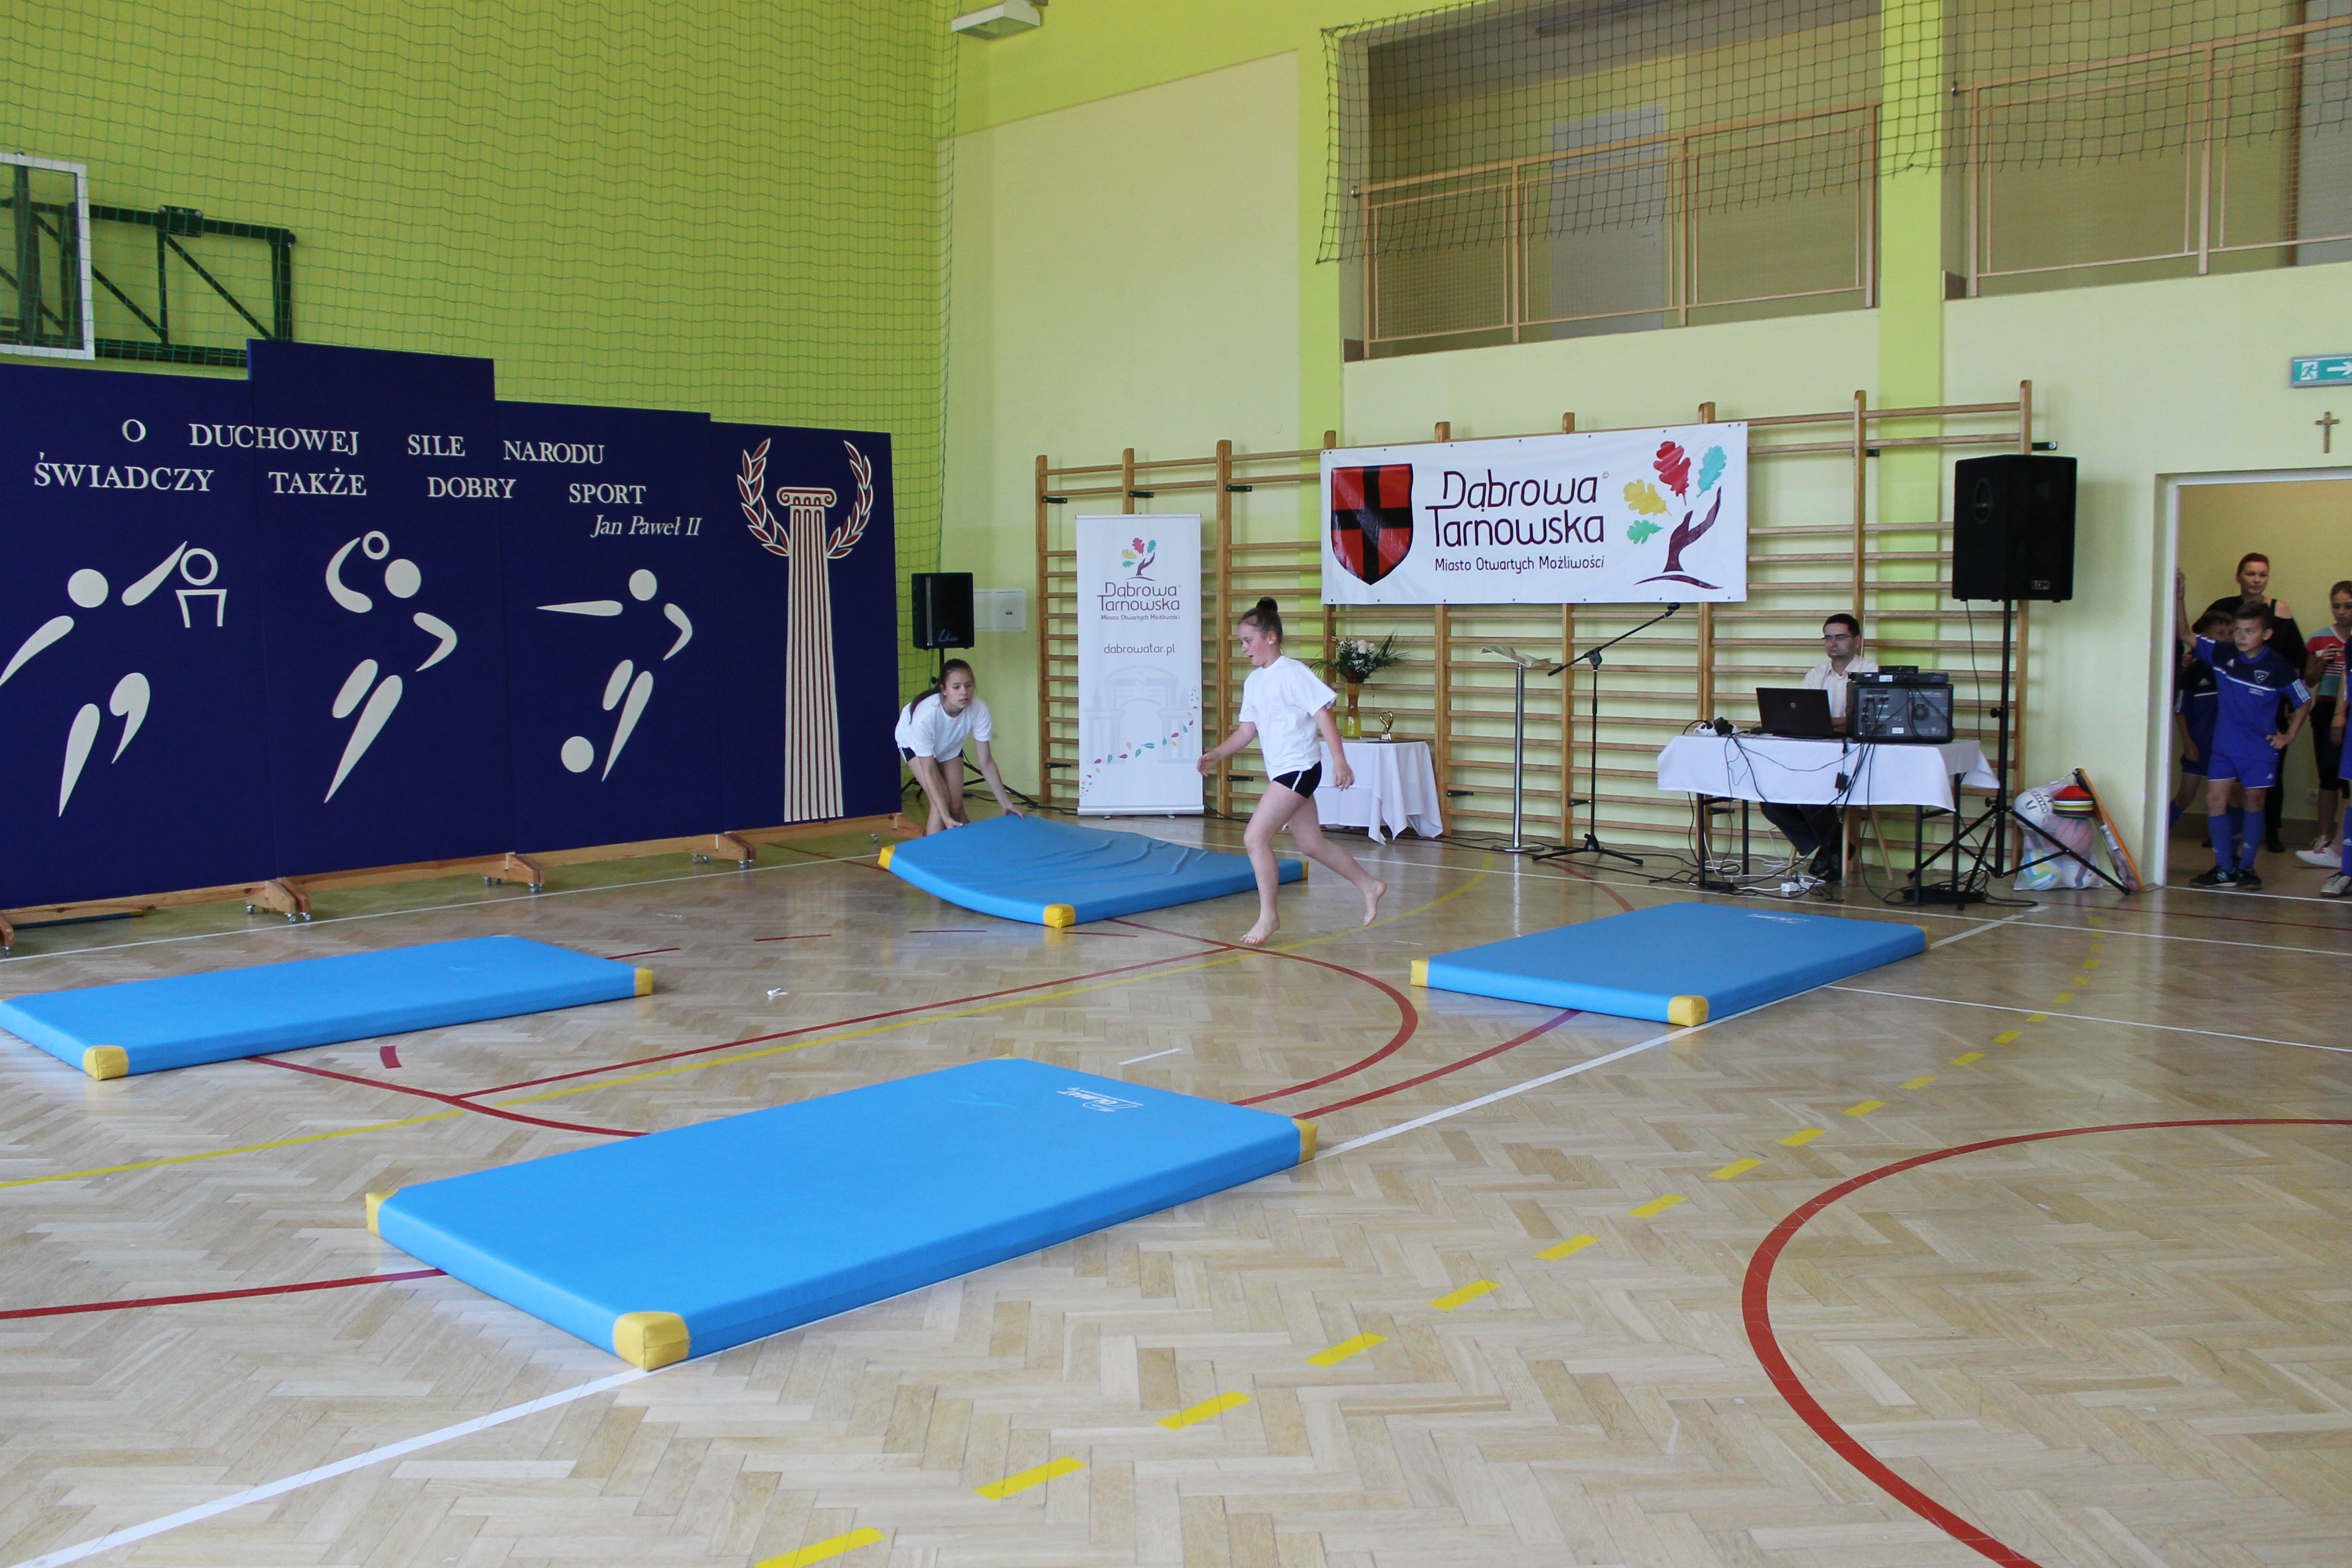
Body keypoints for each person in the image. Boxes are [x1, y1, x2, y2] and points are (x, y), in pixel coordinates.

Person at [1196, 598, 1385, 946]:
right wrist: (1217, 754)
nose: (1243, 648)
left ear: (1271, 638)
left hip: (1299, 770)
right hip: (1285, 772)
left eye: (1248, 641)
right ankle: (1370, 885)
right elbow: (1247, 731)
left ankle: (1269, 916)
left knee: (1254, 838)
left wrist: (1340, 760)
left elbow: (1323, 715)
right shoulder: (1254, 682)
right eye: (1241, 642)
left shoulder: (1294, 673)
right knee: (1312, 844)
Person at [2173, 571, 2313, 890]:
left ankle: (2247, 867)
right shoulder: (2223, 654)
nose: (2241, 636)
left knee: (2254, 801)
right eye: (2238, 630)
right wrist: (2180, 598)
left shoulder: (2277, 666)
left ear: (2266, 634)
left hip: (2259, 748)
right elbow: (2184, 633)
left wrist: (2289, 735)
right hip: (2224, 746)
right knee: (2215, 799)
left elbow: (2304, 700)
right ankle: (2224, 868)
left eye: (2249, 631)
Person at [1758, 613, 1879, 884]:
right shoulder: (1815, 674)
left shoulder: (1872, 672)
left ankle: (1831, 849)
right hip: (1813, 755)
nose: (1833, 643)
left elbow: (1864, 722)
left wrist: (1834, 722)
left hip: (1853, 759)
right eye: (1828, 638)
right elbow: (1804, 717)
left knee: (1814, 801)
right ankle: (1835, 847)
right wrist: (1837, 722)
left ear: (1857, 641)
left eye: (1840, 637)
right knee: (1770, 803)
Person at [2201, 552, 2306, 854]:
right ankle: (2228, 843)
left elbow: (2294, 658)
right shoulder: (2223, 606)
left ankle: (2270, 833)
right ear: (2239, 576)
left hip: (2269, 703)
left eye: (2263, 574)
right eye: (2251, 574)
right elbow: (2199, 638)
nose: (2257, 580)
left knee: (2264, 782)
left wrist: (2287, 699)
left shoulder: (2279, 610)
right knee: (2225, 784)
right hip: (2230, 702)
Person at [895, 658, 1024, 835]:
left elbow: (986, 762)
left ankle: (970, 848)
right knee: (940, 804)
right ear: (944, 690)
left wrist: (1006, 803)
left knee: (956, 806)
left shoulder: (979, 710)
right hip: (913, 745)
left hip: (949, 745)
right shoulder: (925, 716)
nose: (964, 692)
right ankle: (935, 851)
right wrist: (945, 817)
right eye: (956, 687)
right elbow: (930, 771)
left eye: (968, 686)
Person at [2297, 579, 2352, 868]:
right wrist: (2322, 662)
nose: (2342, 612)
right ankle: (2325, 836)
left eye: (2348, 606)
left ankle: (2346, 840)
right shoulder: (2319, 638)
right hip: (2328, 707)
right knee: (2329, 774)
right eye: (2336, 606)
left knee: (2349, 779)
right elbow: (2308, 680)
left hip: (2349, 710)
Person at [2170, 609, 2231, 828]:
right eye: (2221, 633)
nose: (2227, 638)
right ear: (2204, 638)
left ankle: (2227, 846)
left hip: (2229, 747)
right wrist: (2188, 743)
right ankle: (2159, 838)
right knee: (2185, 796)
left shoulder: (2234, 669)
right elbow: (2180, 710)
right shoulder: (2193, 672)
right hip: (2200, 745)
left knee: (2232, 799)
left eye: (2231, 633)